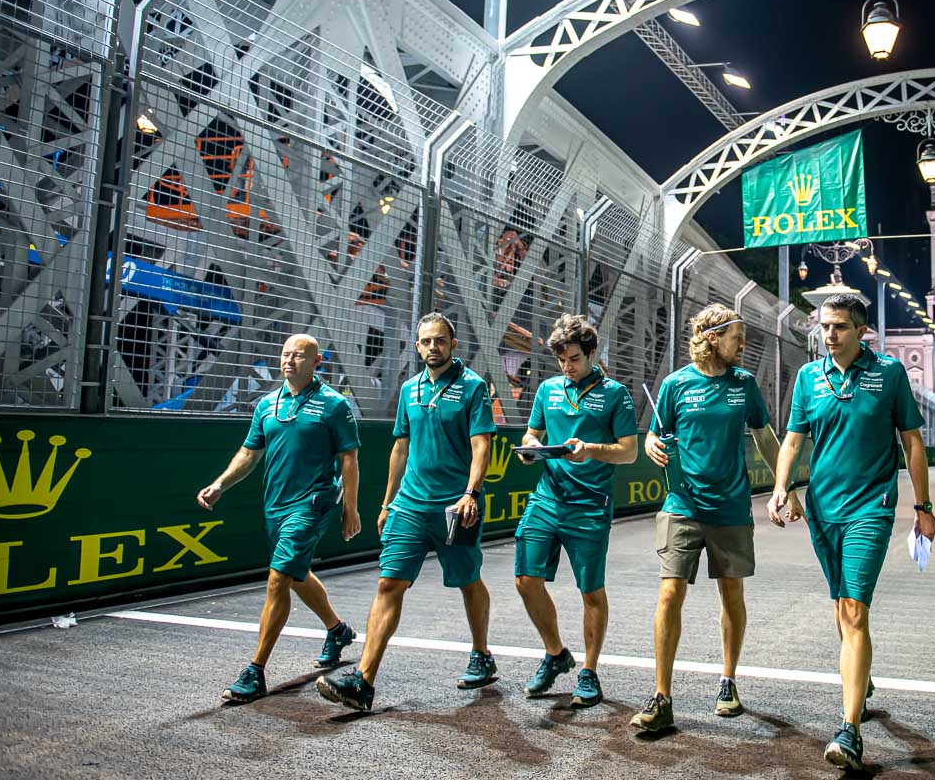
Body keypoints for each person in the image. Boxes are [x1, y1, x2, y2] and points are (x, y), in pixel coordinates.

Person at [767, 293, 935, 771]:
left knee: (853, 608)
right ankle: (860, 681)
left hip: (872, 507)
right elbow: (795, 440)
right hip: (824, 509)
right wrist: (782, 487)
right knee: (842, 609)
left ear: (862, 331)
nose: (830, 335)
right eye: (825, 326)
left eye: (840, 326)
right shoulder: (808, 378)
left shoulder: (889, 374)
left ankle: (850, 731)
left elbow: (911, 441)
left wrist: (922, 506)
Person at [629, 304, 801, 733]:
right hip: (682, 506)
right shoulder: (674, 385)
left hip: (730, 507)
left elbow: (764, 436)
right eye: (736, 337)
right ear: (710, 338)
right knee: (669, 593)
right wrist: (651, 443)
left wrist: (786, 487)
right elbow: (656, 431)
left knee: (731, 594)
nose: (742, 345)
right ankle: (661, 696)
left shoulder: (744, 384)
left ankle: (728, 680)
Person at [317, 312, 497, 712]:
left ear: (453, 344)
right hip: (410, 505)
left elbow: (482, 446)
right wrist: (386, 502)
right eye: (426, 341)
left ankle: (481, 653)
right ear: (417, 347)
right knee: (389, 585)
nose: (433, 347)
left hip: (456, 506)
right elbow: (400, 447)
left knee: (469, 581)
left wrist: (471, 492)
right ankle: (363, 681)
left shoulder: (473, 388)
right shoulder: (410, 389)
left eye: (440, 340)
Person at [197, 333, 361, 703]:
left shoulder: (334, 405)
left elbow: (348, 460)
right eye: (285, 354)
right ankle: (337, 630)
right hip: (276, 505)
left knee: (278, 579)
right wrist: (221, 484)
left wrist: (350, 507)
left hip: (312, 502)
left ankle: (255, 671)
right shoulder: (267, 405)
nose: (289, 361)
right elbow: (249, 452)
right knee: (296, 573)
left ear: (317, 361)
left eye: (299, 355)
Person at [513, 314, 637, 707]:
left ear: (592, 353)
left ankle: (589, 671)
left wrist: (591, 450)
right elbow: (533, 433)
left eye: (574, 359)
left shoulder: (616, 394)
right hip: (547, 498)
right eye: (562, 360)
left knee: (591, 592)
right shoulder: (548, 389)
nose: (567, 367)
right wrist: (531, 447)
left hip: (589, 506)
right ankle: (556, 654)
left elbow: (629, 451)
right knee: (525, 580)